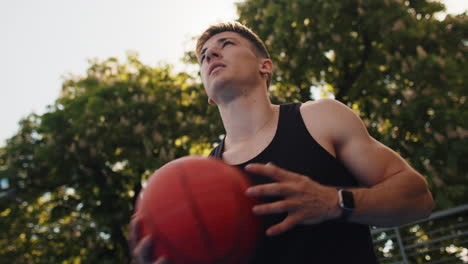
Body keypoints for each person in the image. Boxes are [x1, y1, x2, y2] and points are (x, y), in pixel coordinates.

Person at [129, 21, 434, 263]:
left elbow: (418, 198)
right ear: (208, 94)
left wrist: (335, 202)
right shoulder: (202, 180)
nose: (210, 55)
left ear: (265, 66)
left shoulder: (321, 118)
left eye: (226, 44)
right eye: (203, 55)